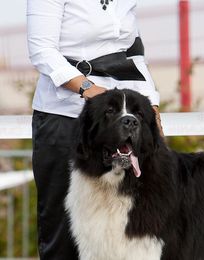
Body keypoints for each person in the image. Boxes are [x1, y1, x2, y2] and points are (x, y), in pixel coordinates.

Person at [27, 0, 162, 259]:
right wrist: (89, 89)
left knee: (121, 229)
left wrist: (151, 105)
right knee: (62, 231)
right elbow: (41, 50)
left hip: (118, 121)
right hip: (63, 116)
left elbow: (133, 54)